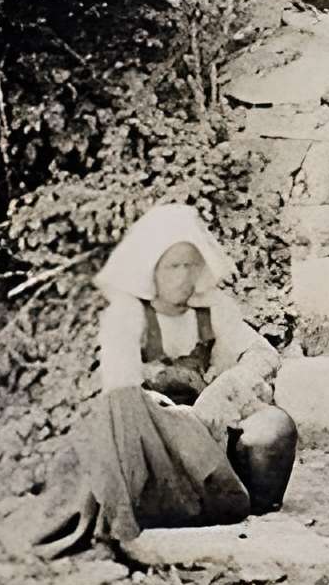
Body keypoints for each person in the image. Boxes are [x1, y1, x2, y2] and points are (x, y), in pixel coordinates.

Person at [34, 204, 297, 557]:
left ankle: (251, 506)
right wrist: (165, 409)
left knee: (274, 425)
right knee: (119, 418)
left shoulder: (212, 308)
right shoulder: (127, 315)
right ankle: (151, 513)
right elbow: (120, 388)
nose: (184, 277)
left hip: (210, 429)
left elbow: (262, 355)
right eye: (173, 266)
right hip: (154, 436)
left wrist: (227, 389)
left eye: (191, 265)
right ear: (150, 271)